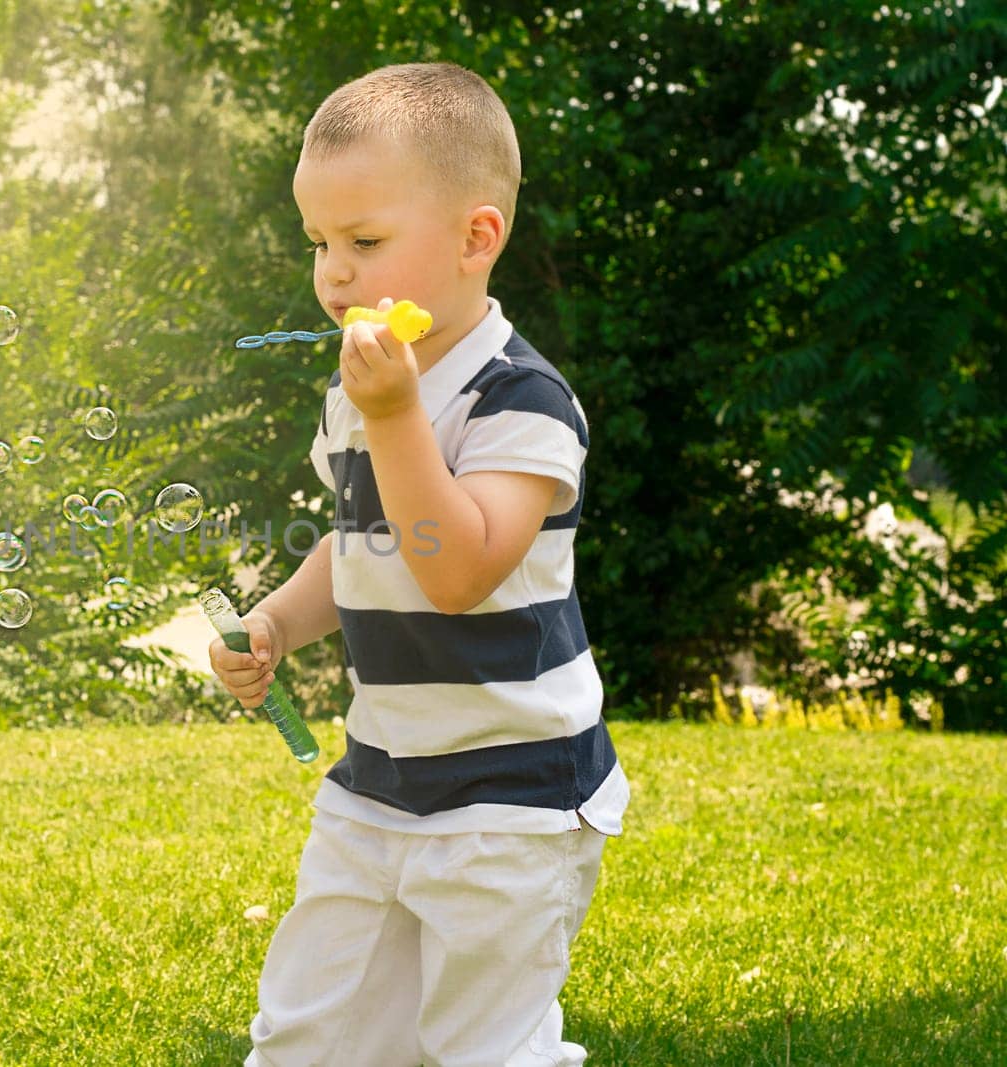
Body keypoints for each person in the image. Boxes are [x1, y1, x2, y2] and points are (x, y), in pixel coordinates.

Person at [207, 62, 631, 1067]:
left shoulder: (520, 400)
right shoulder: (355, 399)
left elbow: (457, 568)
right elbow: (354, 544)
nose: (333, 274)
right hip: (379, 777)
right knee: (312, 1031)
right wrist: (272, 622)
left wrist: (396, 415)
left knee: (481, 1045)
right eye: (318, 243)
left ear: (474, 238)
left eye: (363, 241)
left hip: (513, 791)